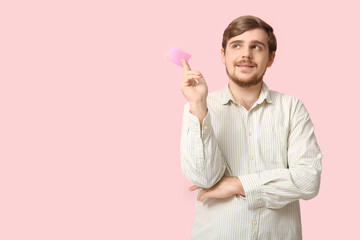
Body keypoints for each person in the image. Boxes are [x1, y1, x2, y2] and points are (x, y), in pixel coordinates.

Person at [179, 15, 322, 240]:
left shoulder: (292, 108)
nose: (246, 54)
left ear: (271, 58)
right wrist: (198, 105)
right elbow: (204, 179)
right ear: (223, 55)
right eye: (237, 45)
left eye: (256, 47)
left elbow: (308, 180)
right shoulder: (200, 107)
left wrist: (237, 185)